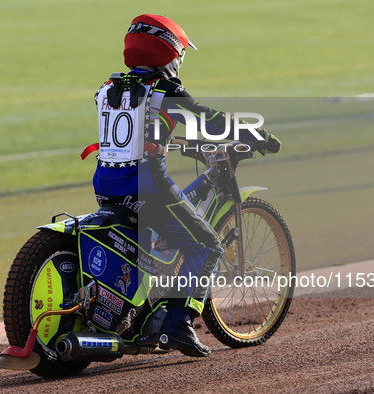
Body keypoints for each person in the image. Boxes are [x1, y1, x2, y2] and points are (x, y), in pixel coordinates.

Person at [83, 14, 281, 357]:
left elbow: (140, 135)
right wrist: (253, 134)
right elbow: (209, 119)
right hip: (146, 187)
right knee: (207, 245)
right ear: (171, 52)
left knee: (166, 229)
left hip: (106, 185)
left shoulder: (109, 88)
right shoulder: (166, 89)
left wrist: (179, 144)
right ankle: (179, 325)